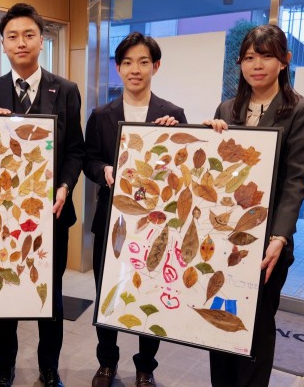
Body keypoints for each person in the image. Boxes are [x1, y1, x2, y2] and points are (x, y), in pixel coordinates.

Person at [204, 24, 304, 387]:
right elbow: (216, 172)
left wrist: (280, 237)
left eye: (267, 56)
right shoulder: (227, 108)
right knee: (219, 315)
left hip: (268, 241)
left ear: (284, 61)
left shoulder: (302, 109)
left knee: (255, 325)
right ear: (240, 63)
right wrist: (208, 138)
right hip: (225, 237)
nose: (257, 65)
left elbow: (296, 180)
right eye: (250, 57)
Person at [0, 3, 85, 387]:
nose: (20, 42)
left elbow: (76, 150)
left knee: (49, 296)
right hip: (5, 217)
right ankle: (4, 368)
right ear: (3, 44)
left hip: (51, 213)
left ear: (41, 40)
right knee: (4, 292)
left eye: (28, 35)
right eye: (12, 36)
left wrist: (65, 186)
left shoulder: (66, 90)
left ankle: (48, 368)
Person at [83, 32, 186, 387]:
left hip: (156, 223)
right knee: (107, 293)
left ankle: (145, 366)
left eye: (143, 62)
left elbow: (183, 165)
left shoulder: (172, 114)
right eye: (127, 63)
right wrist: (103, 170)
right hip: (111, 220)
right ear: (118, 68)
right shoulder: (101, 115)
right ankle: (107, 362)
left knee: (151, 291)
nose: (135, 70)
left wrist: (174, 138)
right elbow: (89, 159)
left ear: (156, 66)